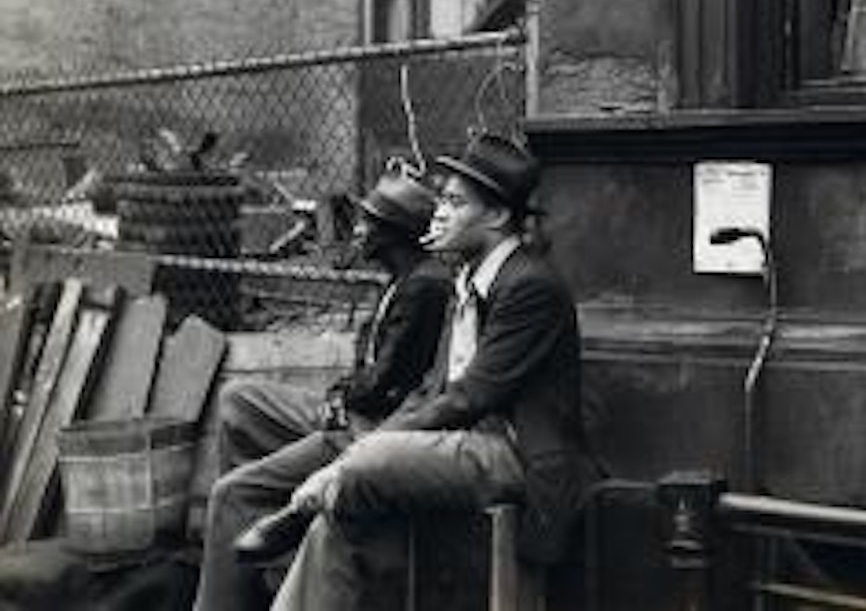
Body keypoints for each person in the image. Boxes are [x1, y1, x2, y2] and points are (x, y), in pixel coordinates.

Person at [195, 134, 599, 611]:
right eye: (441, 201)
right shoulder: (467, 278)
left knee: (367, 462)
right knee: (285, 502)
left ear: (495, 216)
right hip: (452, 441)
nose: (439, 214)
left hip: (511, 452)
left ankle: (314, 497)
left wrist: (368, 445)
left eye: (454, 203)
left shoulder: (530, 286)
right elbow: (433, 388)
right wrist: (376, 432)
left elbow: (469, 397)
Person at [192, 167, 450, 611]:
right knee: (237, 400)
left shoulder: (423, 288)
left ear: (393, 233)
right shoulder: (401, 278)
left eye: (369, 223)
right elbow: (372, 370)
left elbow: (385, 383)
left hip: (366, 428)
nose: (359, 231)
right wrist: (342, 393)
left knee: (231, 493)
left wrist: (340, 400)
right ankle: (257, 560)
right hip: (355, 412)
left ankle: (237, 572)